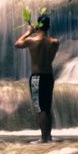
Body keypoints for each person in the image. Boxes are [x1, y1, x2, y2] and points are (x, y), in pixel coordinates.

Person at [15, 14, 59, 143]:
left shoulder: (31, 41)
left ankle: (43, 138)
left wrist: (29, 32)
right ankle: (48, 136)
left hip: (36, 78)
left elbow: (17, 44)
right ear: (49, 26)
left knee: (40, 108)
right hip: (49, 77)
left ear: (38, 26)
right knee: (47, 107)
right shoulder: (55, 42)